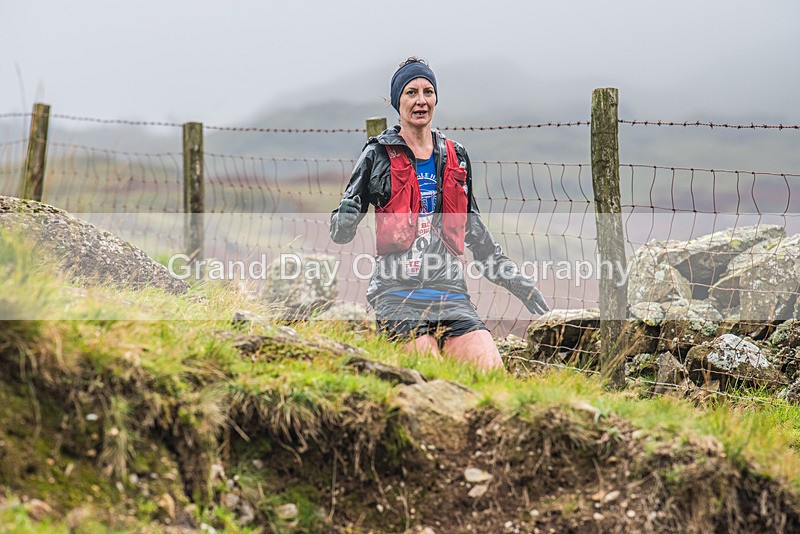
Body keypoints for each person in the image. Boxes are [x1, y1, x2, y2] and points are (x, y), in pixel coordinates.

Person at [330, 57, 548, 370]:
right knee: (427, 375)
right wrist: (347, 217)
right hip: (397, 297)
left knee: (492, 376)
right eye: (411, 92)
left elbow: (476, 236)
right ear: (398, 101)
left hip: (451, 296)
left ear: (435, 98)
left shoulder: (455, 155)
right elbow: (340, 232)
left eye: (428, 91)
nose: (421, 100)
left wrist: (517, 283)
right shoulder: (376, 155)